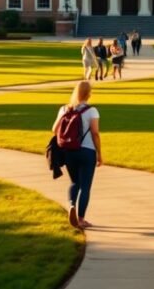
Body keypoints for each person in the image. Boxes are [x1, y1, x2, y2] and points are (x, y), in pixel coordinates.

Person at [52, 81, 103, 229]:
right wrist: (99, 154)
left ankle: (71, 205)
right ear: (89, 94)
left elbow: (54, 129)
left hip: (69, 151)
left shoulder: (64, 109)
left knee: (75, 182)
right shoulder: (92, 111)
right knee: (85, 186)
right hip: (87, 152)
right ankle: (80, 218)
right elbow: (95, 133)